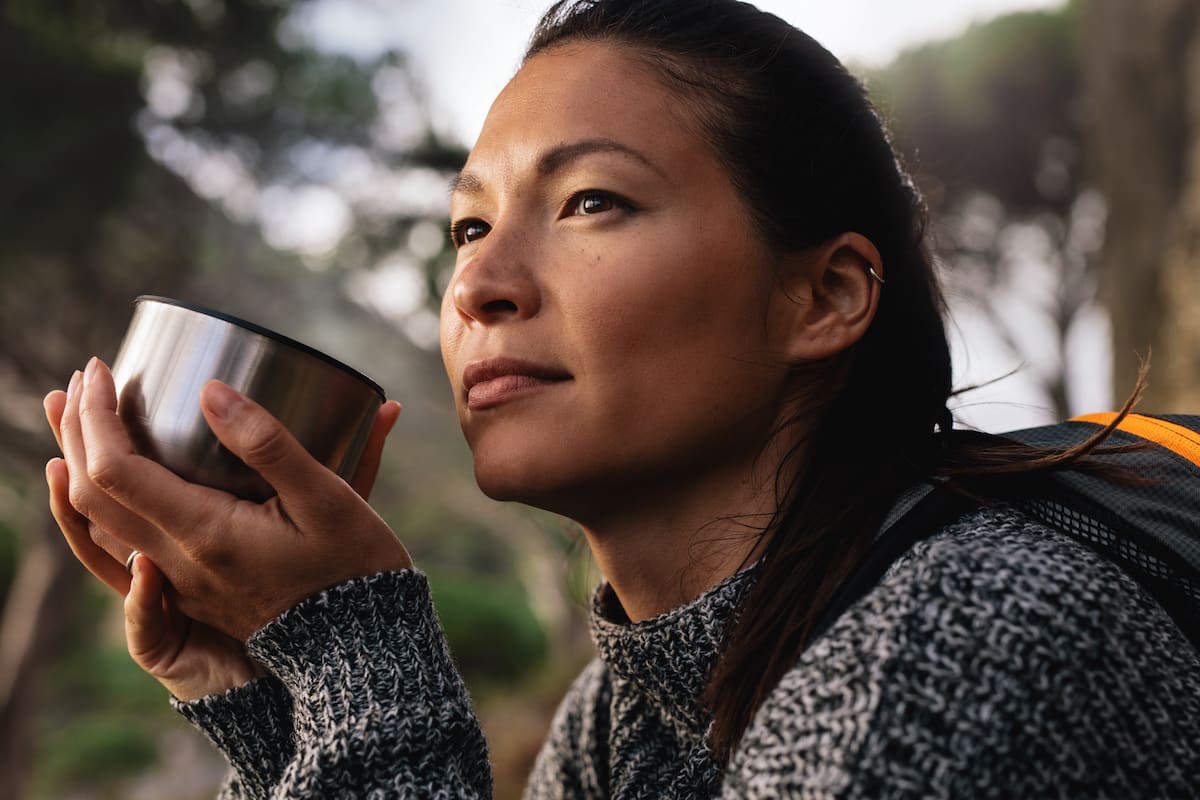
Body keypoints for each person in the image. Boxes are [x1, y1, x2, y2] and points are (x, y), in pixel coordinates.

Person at [43, 0, 1200, 797]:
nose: (481, 285)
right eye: (469, 225)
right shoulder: (624, 713)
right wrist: (269, 696)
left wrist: (360, 653)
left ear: (826, 295)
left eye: (592, 201)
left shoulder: (974, 638)